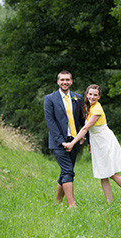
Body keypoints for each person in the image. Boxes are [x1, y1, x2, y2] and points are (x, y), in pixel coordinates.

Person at [63, 84, 121, 203]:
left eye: (95, 95)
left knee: (111, 172)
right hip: (97, 141)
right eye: (90, 94)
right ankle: (109, 202)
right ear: (86, 94)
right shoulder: (90, 107)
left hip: (104, 141)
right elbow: (90, 130)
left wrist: (72, 143)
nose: (92, 97)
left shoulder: (97, 109)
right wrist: (87, 141)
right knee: (103, 173)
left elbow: (85, 128)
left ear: (99, 97)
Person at [44, 70, 85, 208]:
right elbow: (50, 122)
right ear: (58, 82)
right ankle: (71, 205)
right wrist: (61, 141)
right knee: (68, 171)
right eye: (62, 80)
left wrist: (83, 137)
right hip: (58, 142)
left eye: (67, 79)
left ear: (71, 81)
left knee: (65, 171)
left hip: (74, 141)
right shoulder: (50, 99)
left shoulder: (78, 98)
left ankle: (57, 202)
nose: (65, 82)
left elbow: (82, 120)